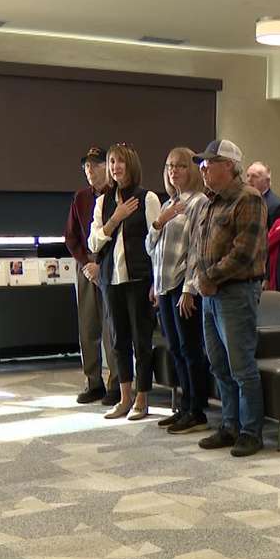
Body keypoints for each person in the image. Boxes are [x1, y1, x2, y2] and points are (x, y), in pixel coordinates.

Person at [193, 139, 268, 458]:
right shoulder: (210, 201)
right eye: (203, 164)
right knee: (218, 364)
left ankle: (251, 431)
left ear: (229, 166)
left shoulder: (248, 199)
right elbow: (200, 246)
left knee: (241, 366)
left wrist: (209, 277)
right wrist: (201, 279)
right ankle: (229, 425)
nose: (204, 169)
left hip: (236, 291)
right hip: (211, 293)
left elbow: (243, 252)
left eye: (210, 163)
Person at [88, 143, 162, 421]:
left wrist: (156, 281)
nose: (115, 167)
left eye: (120, 162)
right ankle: (124, 397)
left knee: (141, 340)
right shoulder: (102, 202)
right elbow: (94, 241)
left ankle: (143, 398)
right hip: (111, 279)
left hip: (139, 278)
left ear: (131, 165)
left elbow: (155, 244)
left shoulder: (148, 198)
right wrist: (114, 219)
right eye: (111, 162)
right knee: (119, 340)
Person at [146, 147, 211, 433]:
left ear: (192, 170)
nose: (174, 171)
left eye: (181, 166)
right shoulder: (167, 204)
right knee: (175, 348)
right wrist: (160, 221)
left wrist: (188, 289)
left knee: (190, 348)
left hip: (183, 287)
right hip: (163, 285)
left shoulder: (199, 202)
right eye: (170, 166)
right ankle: (183, 406)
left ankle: (196, 409)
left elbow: (197, 249)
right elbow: (151, 248)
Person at [64, 145, 121, 405]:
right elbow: (71, 236)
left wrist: (100, 264)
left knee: (112, 327)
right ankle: (93, 381)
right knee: (88, 327)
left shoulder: (117, 195)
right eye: (86, 166)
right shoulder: (80, 198)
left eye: (95, 165)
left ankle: (116, 383)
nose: (90, 170)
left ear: (107, 167)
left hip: (109, 264)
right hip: (85, 264)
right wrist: (86, 263)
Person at [246, 161, 280, 230]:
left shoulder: (278, 206)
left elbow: (279, 236)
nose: (249, 180)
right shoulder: (243, 200)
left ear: (267, 181)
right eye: (248, 175)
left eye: (255, 176)